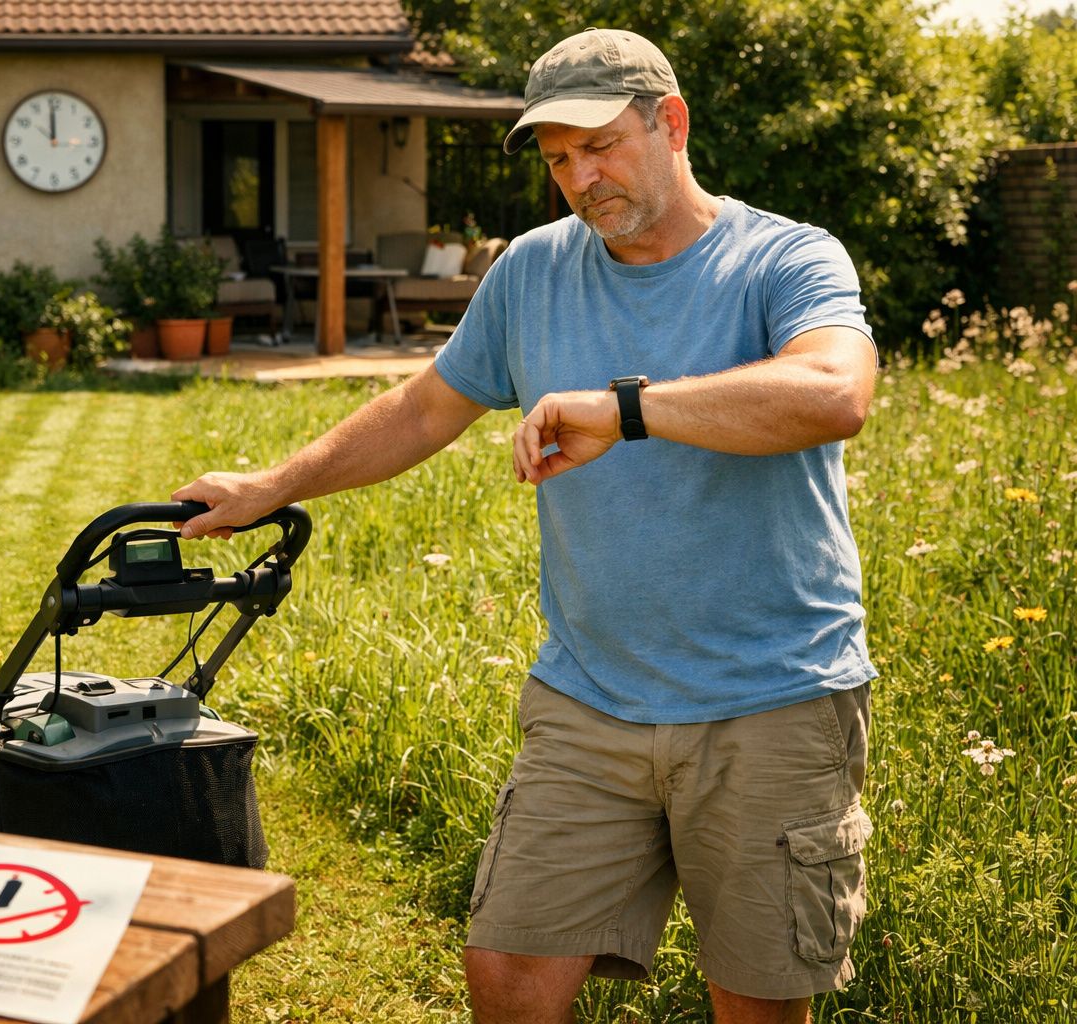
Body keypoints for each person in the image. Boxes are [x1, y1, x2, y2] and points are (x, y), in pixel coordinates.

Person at [173, 27, 878, 1024]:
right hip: (590, 698)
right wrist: (272, 487)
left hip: (770, 700)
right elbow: (424, 408)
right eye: (557, 160)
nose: (580, 178)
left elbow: (833, 391)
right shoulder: (533, 271)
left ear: (669, 124)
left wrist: (624, 408)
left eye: (600, 146)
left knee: (756, 1003)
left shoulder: (783, 260)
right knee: (506, 973)